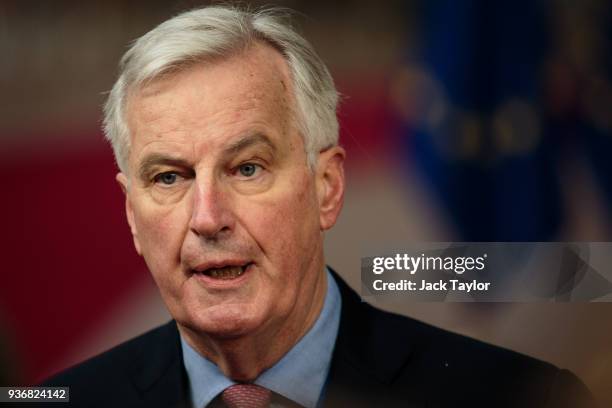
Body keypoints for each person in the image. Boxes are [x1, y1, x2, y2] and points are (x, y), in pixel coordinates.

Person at [45, 5, 595, 408]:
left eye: (247, 168)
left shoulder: (512, 398)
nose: (207, 217)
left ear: (326, 187)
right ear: (130, 216)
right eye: (170, 177)